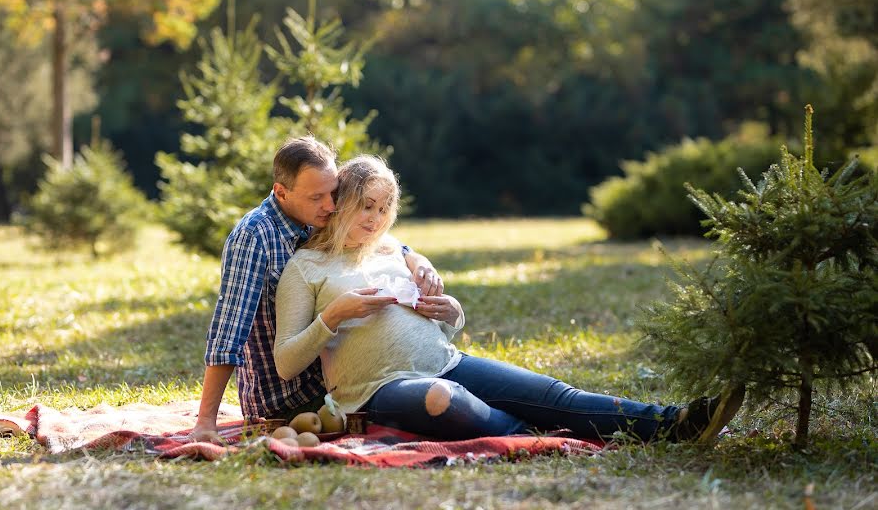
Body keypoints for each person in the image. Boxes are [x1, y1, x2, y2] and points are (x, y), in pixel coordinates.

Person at [274, 155, 745, 443]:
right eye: (366, 207)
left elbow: (444, 323)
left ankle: (675, 423)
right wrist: (334, 315)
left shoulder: (395, 251)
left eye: (384, 208)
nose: (376, 219)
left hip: (447, 359)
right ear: (340, 203)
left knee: (553, 392)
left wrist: (451, 311)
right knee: (443, 400)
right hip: (377, 391)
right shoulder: (306, 269)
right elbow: (286, 363)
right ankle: (530, 429)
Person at [190, 137, 443, 442]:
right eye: (316, 197)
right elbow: (229, 330)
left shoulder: (318, 216)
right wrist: (206, 422)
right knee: (424, 411)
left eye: (332, 192)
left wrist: (415, 259)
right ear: (281, 192)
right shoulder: (254, 237)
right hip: (290, 398)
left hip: (337, 379)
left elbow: (382, 242)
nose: (330, 205)